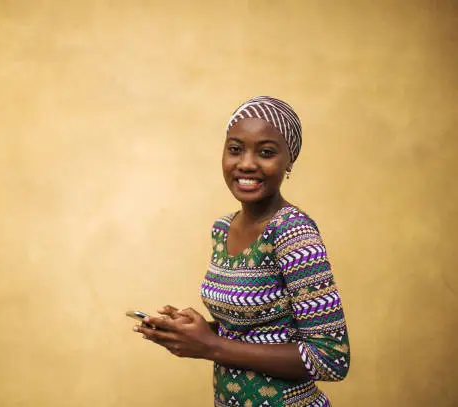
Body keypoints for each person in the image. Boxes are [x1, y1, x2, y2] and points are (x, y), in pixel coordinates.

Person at [133, 96, 350, 407]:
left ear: (289, 161)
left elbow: (330, 358)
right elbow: (253, 331)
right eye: (235, 149)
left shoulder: (293, 232)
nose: (246, 164)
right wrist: (192, 332)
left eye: (265, 152)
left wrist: (211, 346)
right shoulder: (222, 228)